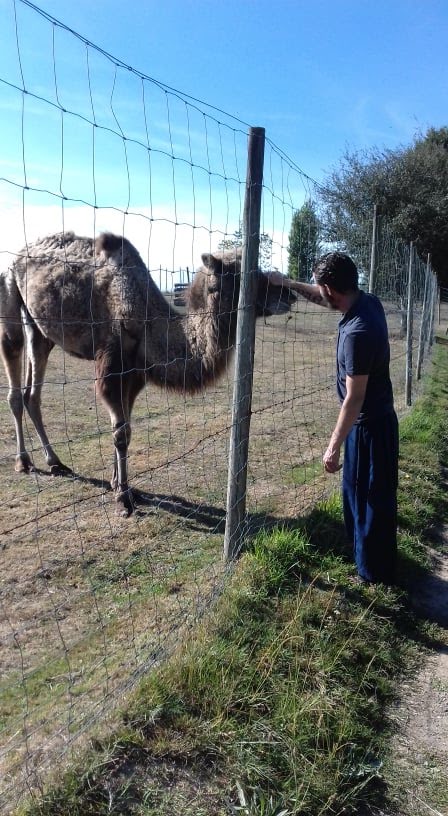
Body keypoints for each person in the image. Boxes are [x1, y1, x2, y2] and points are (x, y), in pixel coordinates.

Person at [268, 252, 398, 585]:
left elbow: (354, 399)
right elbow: (323, 297)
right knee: (371, 497)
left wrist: (332, 447)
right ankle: (375, 564)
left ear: (330, 288)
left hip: (367, 426)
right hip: (379, 421)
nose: (318, 292)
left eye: (319, 287)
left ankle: (372, 575)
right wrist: (287, 284)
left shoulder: (357, 331)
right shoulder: (367, 303)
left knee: (366, 500)